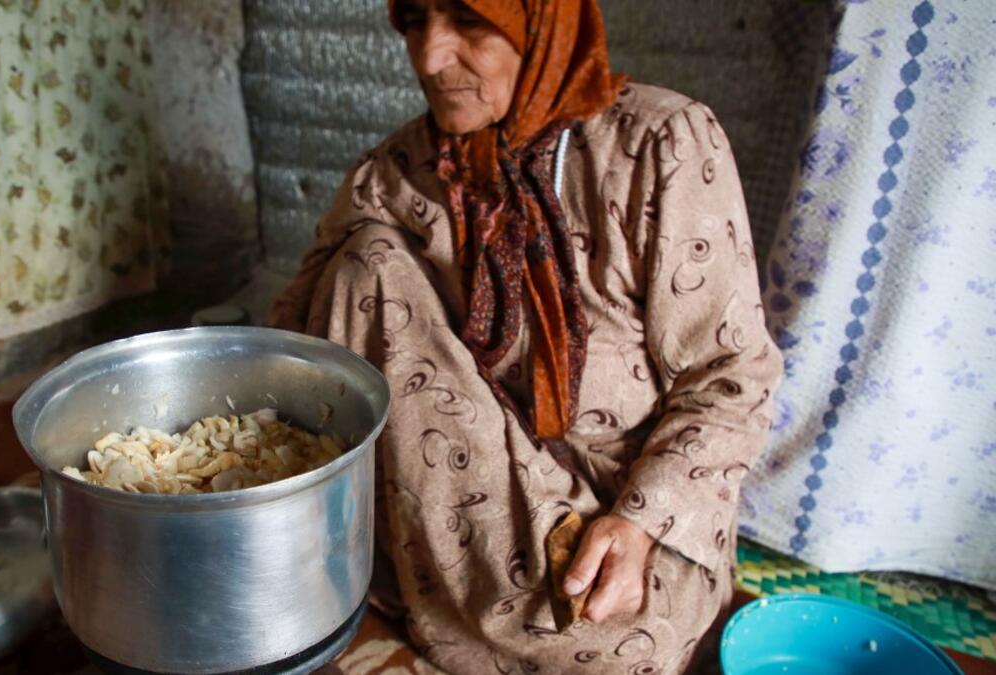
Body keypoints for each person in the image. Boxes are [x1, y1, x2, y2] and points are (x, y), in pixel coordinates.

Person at [270, 0, 783, 672]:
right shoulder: (404, 168)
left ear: (543, 21)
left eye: (469, 23)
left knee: (630, 641)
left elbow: (731, 374)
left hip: (618, 505)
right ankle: (415, 587)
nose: (429, 57)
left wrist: (638, 522)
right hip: (464, 499)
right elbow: (294, 332)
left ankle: (424, 601)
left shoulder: (660, 145)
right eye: (416, 22)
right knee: (363, 266)